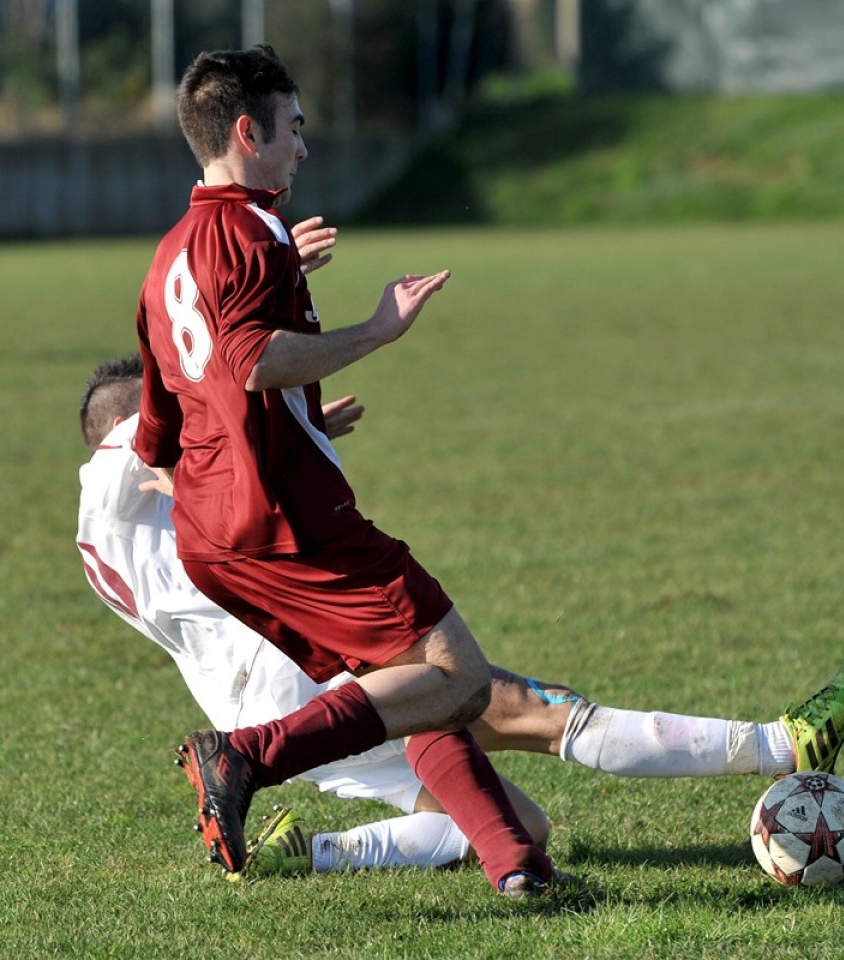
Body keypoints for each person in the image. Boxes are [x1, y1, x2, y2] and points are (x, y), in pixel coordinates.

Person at [78, 351, 844, 880]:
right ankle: (780, 743)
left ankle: (308, 854)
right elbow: (178, 445)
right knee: (527, 707)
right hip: (302, 667)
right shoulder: (115, 464)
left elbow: (211, 481)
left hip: (265, 702)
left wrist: (299, 432)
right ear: (122, 418)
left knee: (521, 823)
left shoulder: (108, 541)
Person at [132, 43, 554, 896]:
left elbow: (164, 423)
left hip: (215, 531)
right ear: (246, 132)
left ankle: (517, 861)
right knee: (457, 676)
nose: (304, 148)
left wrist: (293, 427)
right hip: (287, 518)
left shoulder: (172, 254)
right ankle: (246, 757)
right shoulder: (246, 231)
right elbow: (251, 360)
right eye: (293, 128)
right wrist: (377, 329)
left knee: (396, 680)